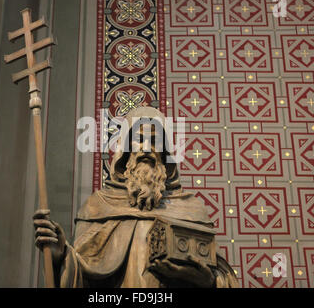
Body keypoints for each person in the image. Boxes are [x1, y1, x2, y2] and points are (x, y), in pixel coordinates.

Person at [34, 107, 238, 288]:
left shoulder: (191, 209)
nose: (146, 148)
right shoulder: (98, 206)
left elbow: (223, 279)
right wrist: (60, 255)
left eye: (155, 141)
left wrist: (206, 281)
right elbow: (80, 274)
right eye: (139, 139)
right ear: (125, 148)